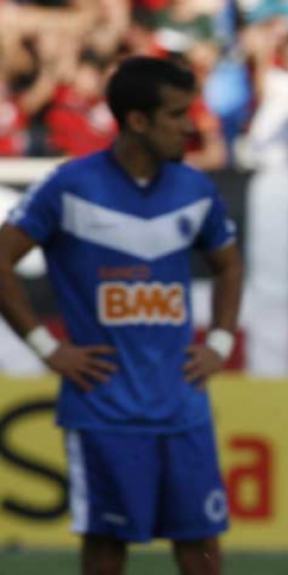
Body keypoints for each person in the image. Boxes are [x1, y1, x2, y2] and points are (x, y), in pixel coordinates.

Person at [0, 57, 243, 575]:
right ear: (137, 120)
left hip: (182, 404)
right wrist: (48, 348)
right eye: (176, 114)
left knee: (201, 549)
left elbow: (229, 265)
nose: (189, 126)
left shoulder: (196, 190)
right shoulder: (69, 186)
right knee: (107, 553)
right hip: (104, 407)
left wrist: (220, 343)